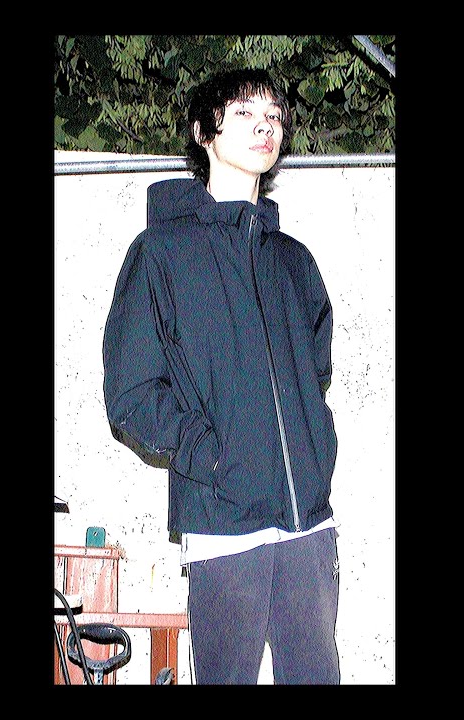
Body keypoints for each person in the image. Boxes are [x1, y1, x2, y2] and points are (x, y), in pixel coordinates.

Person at [102, 68, 340, 684]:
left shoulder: (294, 261)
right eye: (244, 113)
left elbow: (314, 373)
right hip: (224, 522)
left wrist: (315, 448)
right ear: (204, 133)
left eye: (274, 116)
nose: (265, 126)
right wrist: (216, 455)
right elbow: (132, 395)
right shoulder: (162, 253)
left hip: (309, 523)